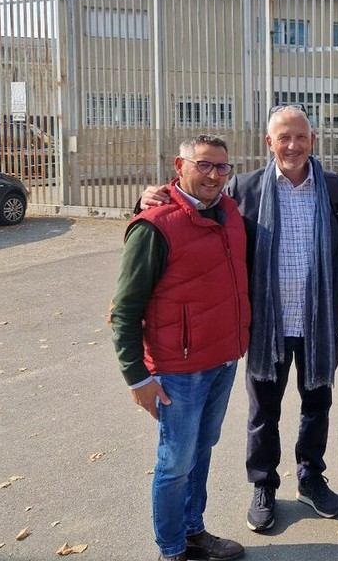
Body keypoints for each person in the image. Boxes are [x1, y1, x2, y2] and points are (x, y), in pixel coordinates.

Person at [139, 106, 338, 533]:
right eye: (284, 138)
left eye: (301, 137)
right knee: (264, 410)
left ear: (312, 140)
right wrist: (153, 197)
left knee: (317, 404)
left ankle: (310, 477)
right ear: (269, 143)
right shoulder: (243, 188)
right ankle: (264, 484)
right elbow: (194, 208)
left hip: (318, 321)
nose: (293, 145)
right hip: (266, 323)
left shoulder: (336, 189)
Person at [110, 135, 249, 561]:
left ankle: (193, 531)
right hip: (179, 370)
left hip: (222, 360)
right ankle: (170, 550)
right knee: (174, 463)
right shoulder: (155, 225)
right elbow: (125, 309)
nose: (213, 175)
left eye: (221, 167)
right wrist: (137, 378)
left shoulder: (229, 213)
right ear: (179, 166)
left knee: (200, 452)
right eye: (203, 165)